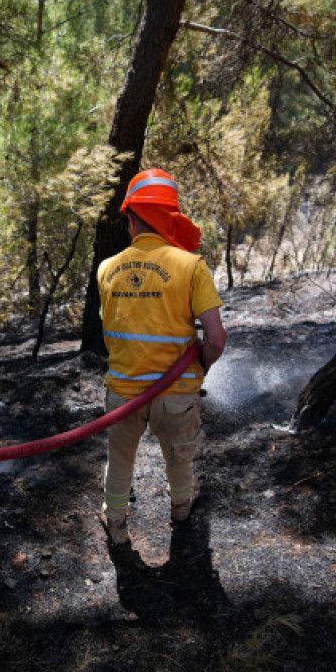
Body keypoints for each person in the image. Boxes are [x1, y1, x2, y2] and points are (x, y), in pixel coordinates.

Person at [96, 168, 227, 545]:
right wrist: (201, 364)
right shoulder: (191, 266)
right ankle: (181, 510)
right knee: (179, 458)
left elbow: (114, 329)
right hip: (176, 394)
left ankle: (116, 525)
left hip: (123, 393)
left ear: (132, 218)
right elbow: (216, 338)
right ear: (169, 216)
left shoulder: (106, 269)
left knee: (120, 460)